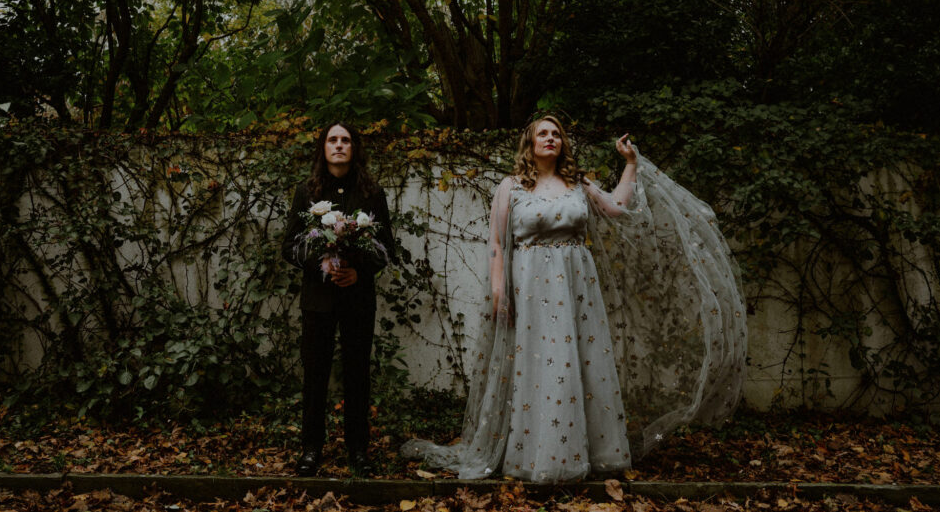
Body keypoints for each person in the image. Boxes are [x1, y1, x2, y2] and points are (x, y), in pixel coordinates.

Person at [402, 115, 747, 482]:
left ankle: (587, 453)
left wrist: (630, 165)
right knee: (536, 368)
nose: (550, 138)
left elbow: (616, 206)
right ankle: (534, 456)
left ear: (562, 144)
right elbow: (497, 243)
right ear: (530, 144)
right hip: (530, 288)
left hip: (575, 287)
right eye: (542, 134)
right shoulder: (511, 187)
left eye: (556, 134)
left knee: (575, 363)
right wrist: (499, 290)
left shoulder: (577, 183)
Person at [282, 122, 395, 477]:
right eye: (333, 140)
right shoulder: (307, 191)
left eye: (346, 140)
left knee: (357, 374)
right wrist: (321, 261)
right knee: (315, 375)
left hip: (358, 298)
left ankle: (358, 450)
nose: (339, 145)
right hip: (318, 299)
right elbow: (289, 247)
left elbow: (386, 248)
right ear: (323, 148)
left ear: (354, 147)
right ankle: (311, 449)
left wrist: (358, 272)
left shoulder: (372, 193)